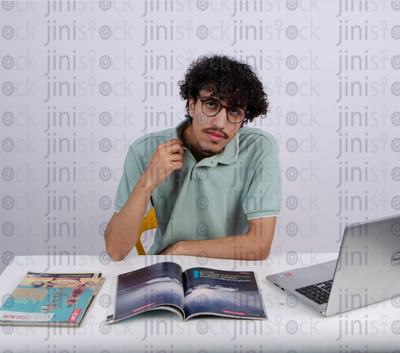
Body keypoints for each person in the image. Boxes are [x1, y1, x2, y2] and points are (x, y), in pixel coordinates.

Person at [105, 55, 281, 261]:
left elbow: (259, 245)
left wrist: (179, 249)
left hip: (230, 270)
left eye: (234, 111)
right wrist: (148, 181)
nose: (220, 123)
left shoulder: (259, 149)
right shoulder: (145, 150)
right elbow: (116, 250)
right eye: (212, 104)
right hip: (166, 271)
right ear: (191, 105)